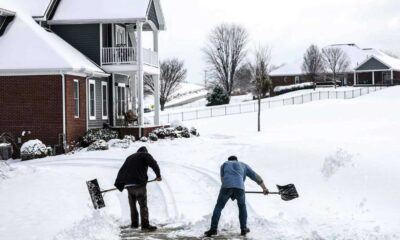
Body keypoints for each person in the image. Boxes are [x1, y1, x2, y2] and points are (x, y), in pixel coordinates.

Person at [204, 156, 269, 237]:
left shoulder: (224, 164)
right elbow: (255, 176)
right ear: (236, 160)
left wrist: (230, 189)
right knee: (242, 207)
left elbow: (222, 179)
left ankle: (213, 229)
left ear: (229, 160)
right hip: (240, 187)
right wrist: (264, 188)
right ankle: (243, 229)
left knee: (219, 207)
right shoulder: (243, 165)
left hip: (226, 186)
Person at [114, 146, 162, 231]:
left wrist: (121, 183)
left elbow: (122, 170)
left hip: (128, 185)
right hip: (139, 184)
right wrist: (158, 175)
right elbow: (154, 164)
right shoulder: (145, 155)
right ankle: (145, 225)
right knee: (143, 204)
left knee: (132, 205)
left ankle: (134, 224)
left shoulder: (130, 157)